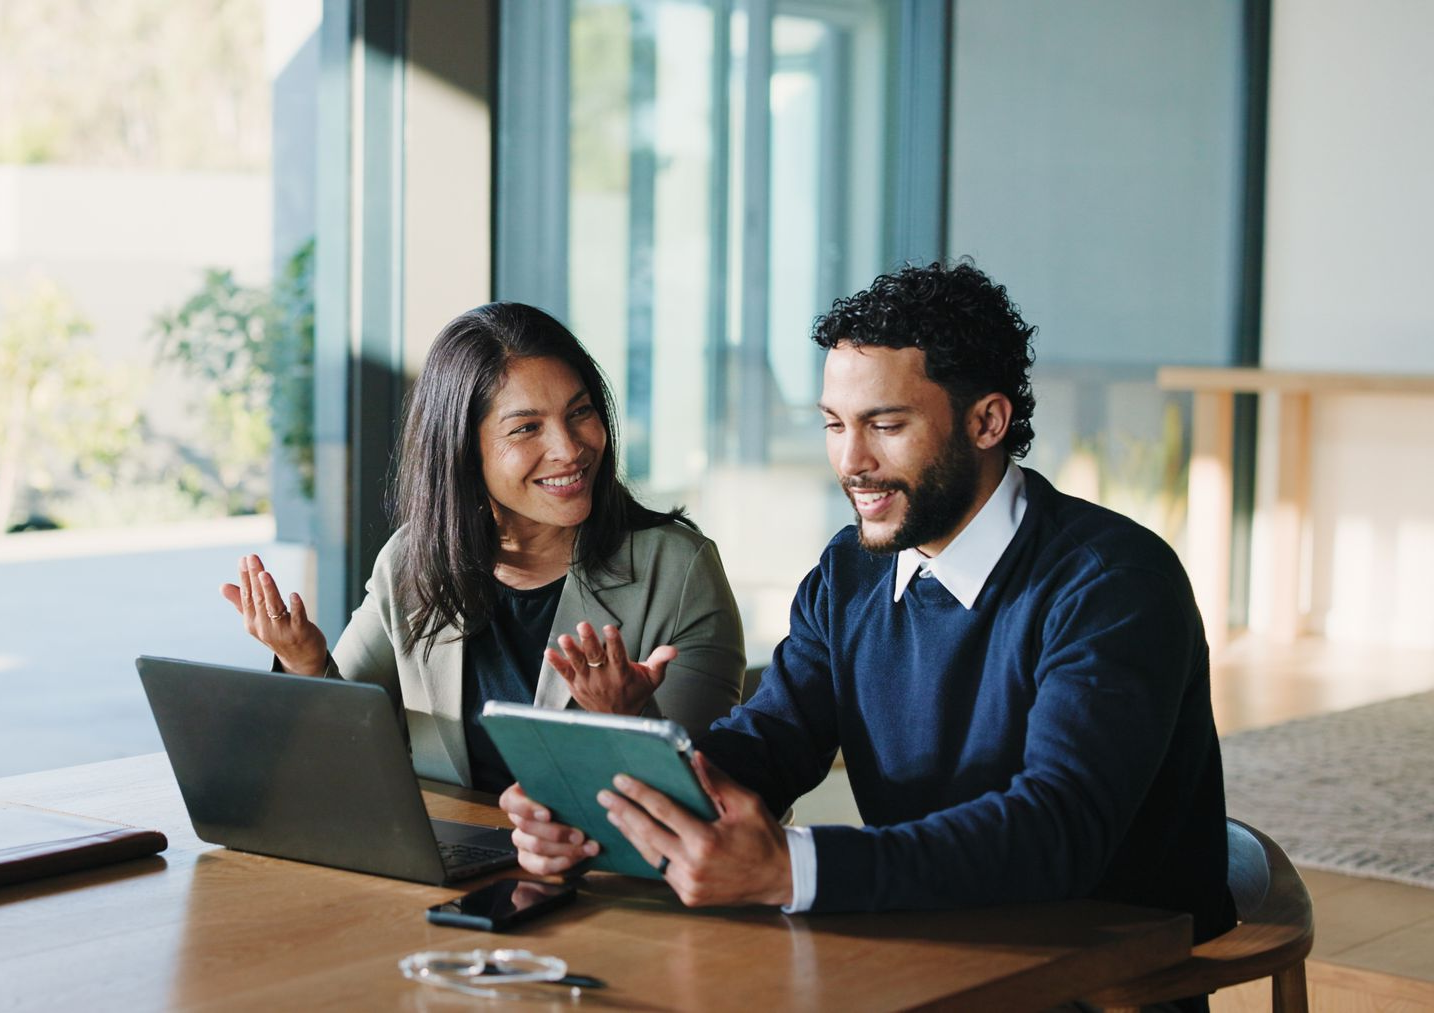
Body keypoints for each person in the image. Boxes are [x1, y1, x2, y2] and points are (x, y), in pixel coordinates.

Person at [502, 261, 1236, 949]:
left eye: (884, 424)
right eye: (833, 424)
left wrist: (794, 868)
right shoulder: (852, 571)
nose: (850, 462)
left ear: (987, 422)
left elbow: (1058, 832)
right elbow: (768, 745)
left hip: (1096, 965)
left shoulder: (1113, 582)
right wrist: (605, 792)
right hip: (925, 940)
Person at [221, 302, 745, 791]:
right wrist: (304, 664)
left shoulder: (677, 569)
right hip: (455, 872)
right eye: (527, 428)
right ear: (462, 450)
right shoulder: (411, 562)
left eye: (580, 412)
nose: (569, 449)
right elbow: (343, 758)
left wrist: (626, 720)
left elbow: (709, 791)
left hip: (608, 882)